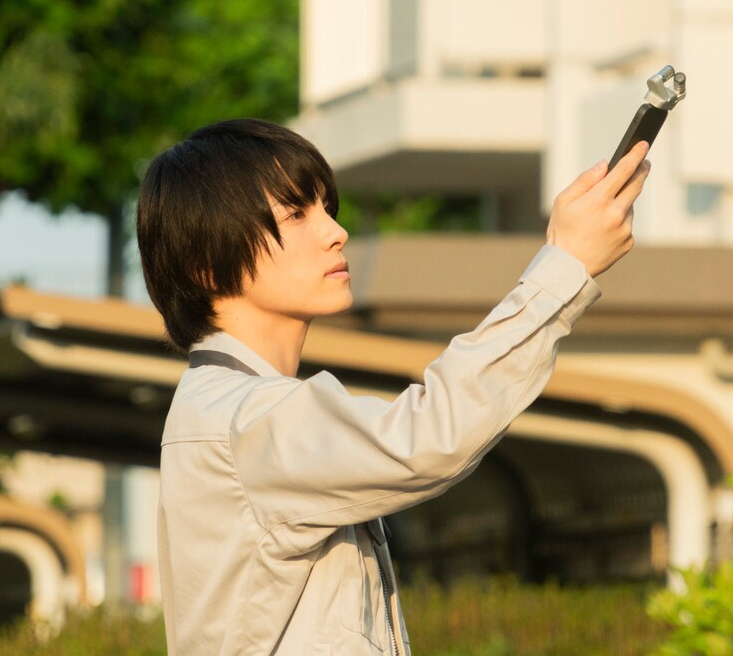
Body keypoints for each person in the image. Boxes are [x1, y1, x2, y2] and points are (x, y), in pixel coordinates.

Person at [136, 118, 651, 655]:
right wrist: (564, 267)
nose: (336, 231)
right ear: (204, 266)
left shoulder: (225, 408)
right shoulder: (243, 418)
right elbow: (427, 437)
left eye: (325, 208)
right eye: (295, 214)